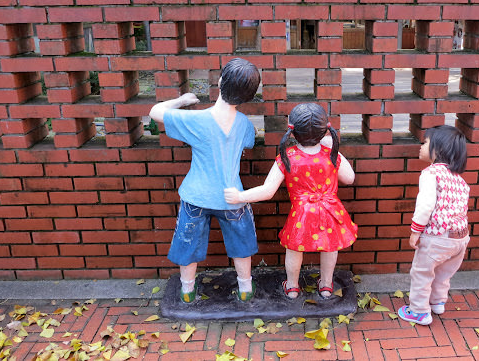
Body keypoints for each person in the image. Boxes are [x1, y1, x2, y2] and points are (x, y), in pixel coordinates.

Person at [149, 58, 261, 303]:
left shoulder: (197, 121)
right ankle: (245, 289)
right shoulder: (244, 124)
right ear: (248, 96)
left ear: (220, 82)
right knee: (242, 244)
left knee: (188, 244)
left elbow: (155, 112)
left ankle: (187, 291)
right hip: (233, 197)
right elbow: (251, 142)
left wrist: (181, 101)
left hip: (196, 197)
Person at [224, 103, 355, 299]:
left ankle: (292, 287)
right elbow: (349, 178)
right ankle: (326, 285)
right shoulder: (331, 155)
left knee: (295, 249)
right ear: (324, 131)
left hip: (302, 214)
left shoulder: (287, 157)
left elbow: (268, 191)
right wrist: (333, 148)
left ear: (292, 132)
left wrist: (240, 197)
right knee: (330, 246)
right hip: (330, 211)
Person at [398, 125, 470, 325]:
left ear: (438, 149)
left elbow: (425, 206)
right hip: (460, 238)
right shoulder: (458, 179)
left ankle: (419, 311)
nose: (421, 146)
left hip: (436, 237)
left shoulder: (430, 174)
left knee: (422, 273)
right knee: (443, 273)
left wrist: (415, 231)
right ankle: (437, 302)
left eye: (425, 142)